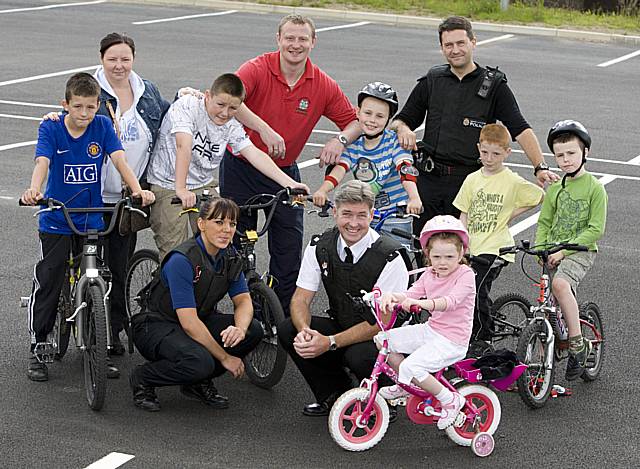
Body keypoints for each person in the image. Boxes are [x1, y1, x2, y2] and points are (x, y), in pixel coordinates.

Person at [221, 14, 361, 315]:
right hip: (240, 167)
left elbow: (354, 122)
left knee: (288, 248)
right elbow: (230, 99)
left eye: (302, 39)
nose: (295, 45)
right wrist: (262, 128)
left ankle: (276, 315)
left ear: (313, 42)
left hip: (284, 173)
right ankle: (241, 309)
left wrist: (340, 140)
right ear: (278, 39)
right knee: (234, 244)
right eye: (289, 38)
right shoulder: (257, 68)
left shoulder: (321, 83)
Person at [21, 72, 155, 382]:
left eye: (90, 107)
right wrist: (34, 190)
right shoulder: (52, 127)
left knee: (100, 282)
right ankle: (39, 344)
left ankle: (99, 348)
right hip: (58, 218)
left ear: (98, 106)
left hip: (92, 218)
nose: (84, 114)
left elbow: (120, 160)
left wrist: (136, 190)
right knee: (50, 279)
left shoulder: (103, 126)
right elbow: (42, 162)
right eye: (78, 107)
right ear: (64, 104)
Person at [390, 16, 557, 236]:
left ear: (473, 42)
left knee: (464, 248)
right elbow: (401, 120)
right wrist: (403, 129)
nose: (455, 50)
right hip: (429, 180)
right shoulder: (433, 79)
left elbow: (520, 128)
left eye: (461, 43)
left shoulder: (493, 85)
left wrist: (540, 167)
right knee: (425, 246)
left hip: (470, 182)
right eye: (448, 45)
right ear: (441, 48)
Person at [278, 181, 409, 417]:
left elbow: (382, 321)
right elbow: (301, 299)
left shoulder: (390, 257)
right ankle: (336, 394)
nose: (353, 223)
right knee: (289, 329)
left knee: (358, 355)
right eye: (347, 214)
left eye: (361, 215)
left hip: (383, 337)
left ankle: (384, 401)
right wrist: (306, 331)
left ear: (372, 215)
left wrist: (328, 342)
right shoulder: (320, 246)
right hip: (343, 324)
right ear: (335, 212)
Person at [146, 73, 309, 260]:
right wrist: (181, 189)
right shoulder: (187, 106)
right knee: (176, 253)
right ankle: (169, 285)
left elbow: (253, 153)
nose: (225, 113)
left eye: (233, 108)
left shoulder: (230, 123)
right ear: (207, 96)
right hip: (169, 183)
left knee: (219, 241)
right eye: (220, 105)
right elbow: (183, 145)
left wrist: (290, 183)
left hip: (202, 184)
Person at [129, 197, 263, 412]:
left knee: (253, 330)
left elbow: (244, 301)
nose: (226, 230)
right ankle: (143, 377)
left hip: (197, 318)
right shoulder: (183, 260)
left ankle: (196, 382)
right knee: (200, 362)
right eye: (219, 222)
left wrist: (239, 328)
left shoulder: (229, 256)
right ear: (201, 224)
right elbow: (189, 323)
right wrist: (226, 358)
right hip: (156, 325)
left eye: (232, 224)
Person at [452, 123, 544, 354]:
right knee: (461, 289)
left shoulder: (511, 180)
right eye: (484, 152)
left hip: (496, 247)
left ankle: (483, 337)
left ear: (507, 153)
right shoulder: (472, 179)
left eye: (496, 153)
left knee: (476, 289)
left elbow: (538, 196)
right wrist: (462, 244)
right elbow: (463, 213)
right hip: (473, 245)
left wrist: (510, 214)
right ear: (478, 148)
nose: (489, 158)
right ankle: (465, 332)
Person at [379, 215, 476, 430]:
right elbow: (410, 293)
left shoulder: (466, 274)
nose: (443, 263)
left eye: (450, 256)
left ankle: (450, 400)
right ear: (427, 255)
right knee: (383, 340)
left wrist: (421, 304)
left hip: (453, 340)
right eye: (437, 256)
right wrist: (390, 297)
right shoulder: (430, 273)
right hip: (432, 331)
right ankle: (406, 384)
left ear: (461, 253)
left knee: (412, 366)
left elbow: (450, 302)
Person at [535, 120, 607, 381]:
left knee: (561, 285)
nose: (565, 160)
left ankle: (578, 343)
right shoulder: (556, 187)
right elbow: (544, 222)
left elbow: (595, 229)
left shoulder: (594, 188)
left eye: (571, 153)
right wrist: (541, 249)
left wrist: (563, 251)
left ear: (585, 152)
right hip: (553, 250)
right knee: (546, 305)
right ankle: (543, 357)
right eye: (559, 155)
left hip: (580, 250)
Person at [313, 81, 422, 243]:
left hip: (395, 213)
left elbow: (405, 170)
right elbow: (340, 169)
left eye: (380, 116)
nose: (372, 120)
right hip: (367, 213)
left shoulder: (394, 142)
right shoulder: (354, 145)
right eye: (367, 113)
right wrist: (322, 191)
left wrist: (414, 198)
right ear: (358, 112)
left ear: (388, 119)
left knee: (398, 255)